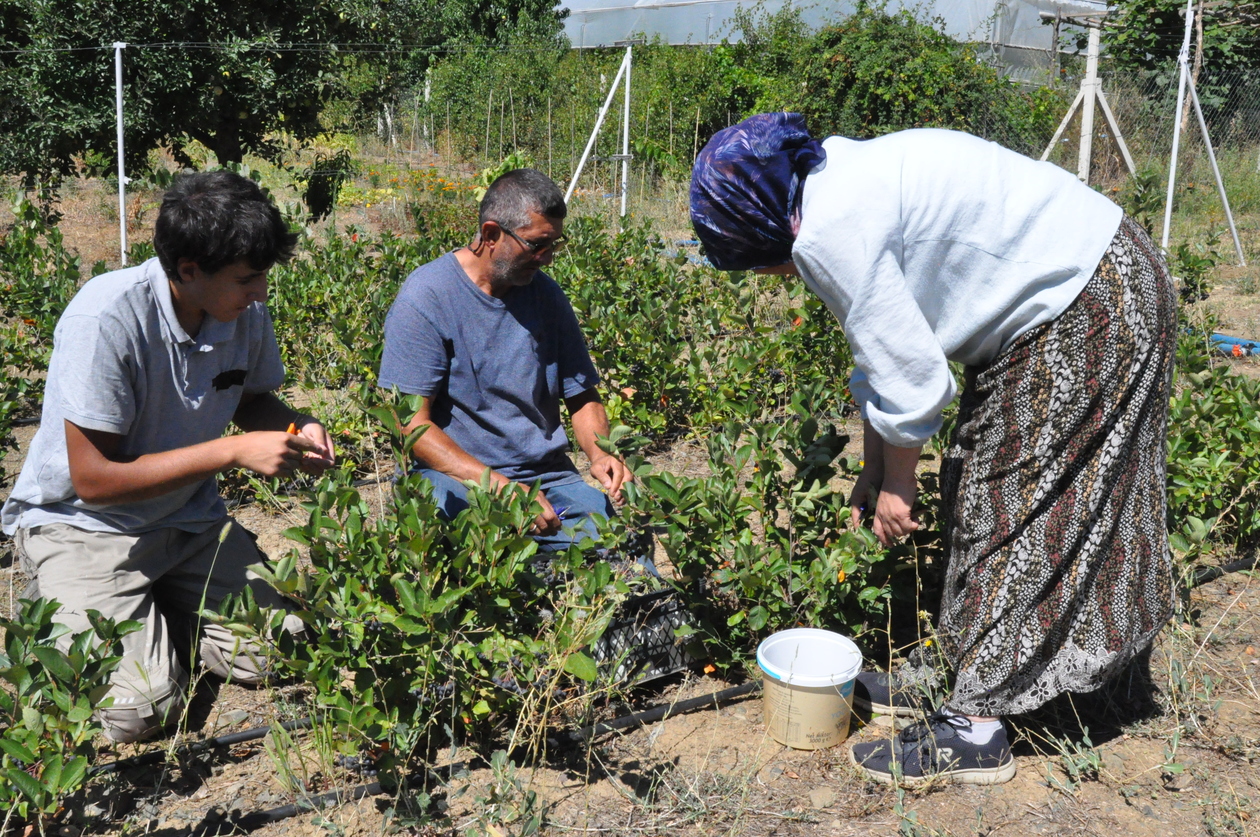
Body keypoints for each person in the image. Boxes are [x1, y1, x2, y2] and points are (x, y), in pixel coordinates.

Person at [690, 113, 1175, 786]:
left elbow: (916, 382)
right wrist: (871, 462)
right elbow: (880, 355)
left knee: (1013, 501)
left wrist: (897, 485)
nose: (770, 274)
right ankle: (965, 663)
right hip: (1085, 282)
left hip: (1087, 297)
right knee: (985, 482)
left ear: (762, 225)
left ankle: (976, 729)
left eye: (755, 258)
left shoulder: (828, 232)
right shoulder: (829, 186)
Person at [1, 171, 335, 744]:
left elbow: (251, 398)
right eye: (248, 279)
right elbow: (95, 481)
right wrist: (232, 451)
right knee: (138, 712)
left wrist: (294, 425)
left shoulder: (240, 310)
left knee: (283, 651)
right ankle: (69, 602)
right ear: (188, 271)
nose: (261, 293)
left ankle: (158, 611)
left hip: (188, 521)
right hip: (85, 526)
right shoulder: (106, 319)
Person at [379, 168, 632, 552]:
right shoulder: (427, 297)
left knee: (622, 548)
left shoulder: (546, 297)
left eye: (554, 245)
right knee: (440, 532)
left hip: (547, 480)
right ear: (492, 234)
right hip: (456, 479)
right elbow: (409, 424)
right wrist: (495, 485)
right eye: (537, 245)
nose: (547, 259)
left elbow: (581, 394)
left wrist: (600, 452)